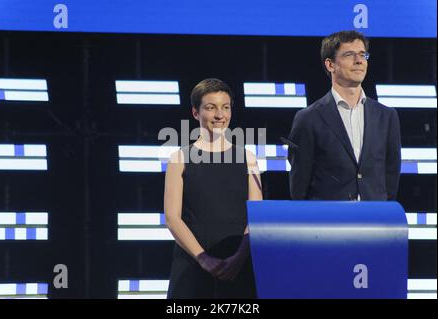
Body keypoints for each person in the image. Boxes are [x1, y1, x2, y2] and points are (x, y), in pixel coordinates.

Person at [164, 78, 263, 298]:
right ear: (196, 113)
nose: (220, 115)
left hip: (238, 267)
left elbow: (255, 216)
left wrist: (238, 259)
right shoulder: (179, 158)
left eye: (225, 107)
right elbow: (172, 218)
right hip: (192, 268)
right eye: (211, 107)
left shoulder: (248, 158)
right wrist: (203, 259)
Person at [287, 30, 401, 201]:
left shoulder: (386, 116)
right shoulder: (308, 118)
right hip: (328, 223)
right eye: (349, 55)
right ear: (330, 65)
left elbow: (390, 179)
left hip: (374, 221)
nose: (358, 61)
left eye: (363, 55)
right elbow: (299, 186)